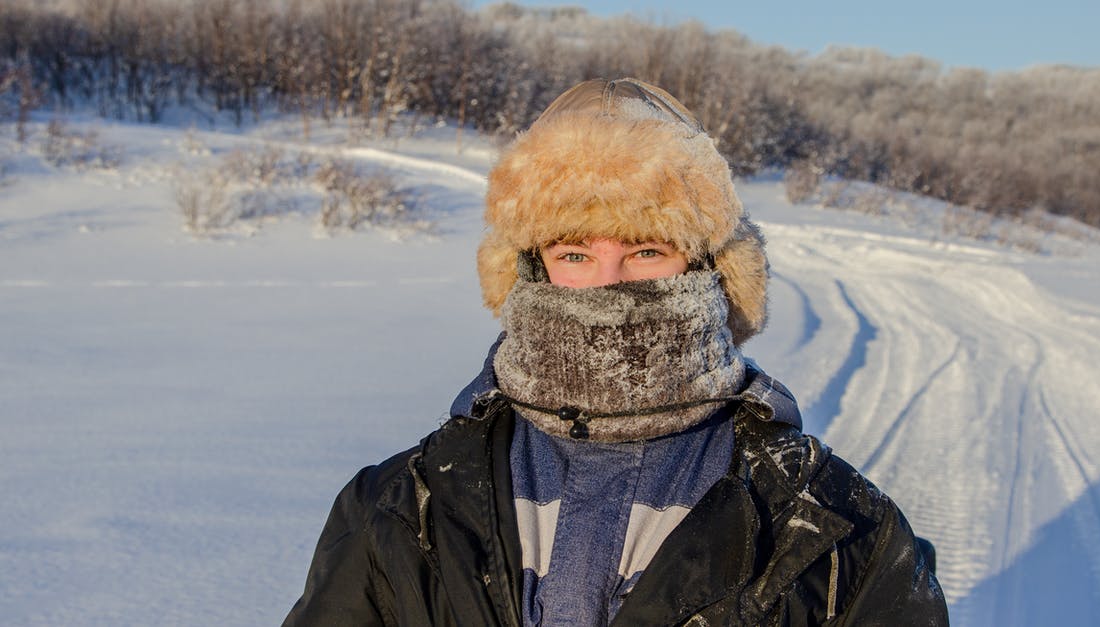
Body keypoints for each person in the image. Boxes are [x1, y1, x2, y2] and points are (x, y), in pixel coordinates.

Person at [284, 78, 948, 626]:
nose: (611, 283)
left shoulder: (835, 534)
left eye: (647, 249)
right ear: (528, 270)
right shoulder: (402, 510)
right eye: (575, 252)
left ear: (710, 269)